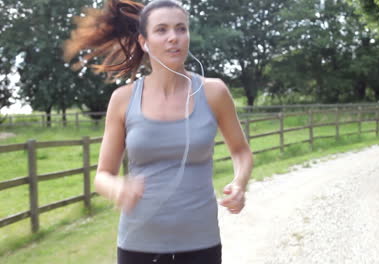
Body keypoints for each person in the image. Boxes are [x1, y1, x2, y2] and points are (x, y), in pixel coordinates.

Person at [64, 0, 253, 263]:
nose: (173, 38)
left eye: (181, 29)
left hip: (201, 243)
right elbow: (102, 176)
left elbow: (241, 151)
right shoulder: (122, 99)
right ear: (144, 41)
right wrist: (118, 188)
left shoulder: (214, 92)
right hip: (138, 245)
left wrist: (239, 183)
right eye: (162, 30)